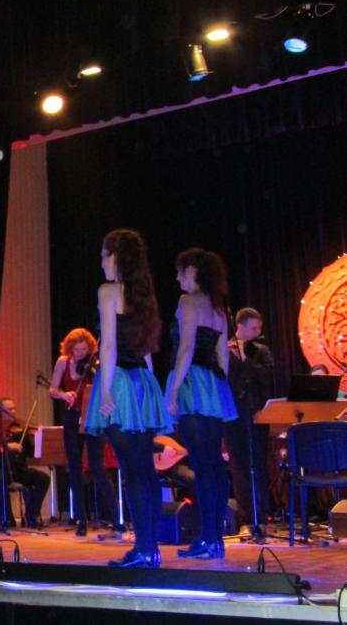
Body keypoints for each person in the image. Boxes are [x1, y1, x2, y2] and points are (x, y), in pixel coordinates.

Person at [84, 229, 172, 568]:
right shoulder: (143, 296)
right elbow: (147, 349)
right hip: (143, 382)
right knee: (145, 471)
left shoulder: (108, 291)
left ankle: (145, 549)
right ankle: (150, 547)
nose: (101, 263)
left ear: (116, 257)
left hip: (119, 381)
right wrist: (152, 392)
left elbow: (108, 345)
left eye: (104, 256)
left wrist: (106, 390)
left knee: (133, 471)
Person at [165, 248, 237, 559]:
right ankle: (215, 538)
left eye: (180, 271)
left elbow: (186, 347)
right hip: (214, 385)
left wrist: (173, 391)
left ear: (192, 271)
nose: (176, 277)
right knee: (214, 465)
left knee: (202, 464)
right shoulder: (219, 308)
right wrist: (219, 389)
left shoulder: (188, 301)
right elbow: (223, 357)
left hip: (191, 382)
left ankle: (208, 539)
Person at [49, 328, 118, 535]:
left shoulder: (95, 363)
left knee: (97, 466)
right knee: (74, 468)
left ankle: (117, 517)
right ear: (70, 348)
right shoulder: (63, 361)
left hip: (93, 417)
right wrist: (63, 395)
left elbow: (107, 387)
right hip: (72, 417)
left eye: (84, 350)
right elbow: (52, 389)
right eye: (76, 350)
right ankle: (81, 520)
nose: (80, 354)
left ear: (90, 348)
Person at [225, 307, 274, 532]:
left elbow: (266, 378)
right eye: (254, 328)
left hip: (256, 415)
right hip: (233, 416)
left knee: (258, 467)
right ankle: (246, 520)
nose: (258, 332)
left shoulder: (261, 351)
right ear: (240, 326)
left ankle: (262, 519)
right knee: (239, 468)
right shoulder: (224, 350)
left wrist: (245, 358)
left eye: (259, 328)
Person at [0, 397, 50, 528]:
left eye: (14, 409)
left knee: (43, 478)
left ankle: (31, 516)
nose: (13, 412)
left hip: (19, 470)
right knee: (0, 480)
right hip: (1, 468)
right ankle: (7, 518)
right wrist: (7, 446)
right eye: (9, 409)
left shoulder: (20, 429)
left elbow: (30, 453)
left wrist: (36, 439)